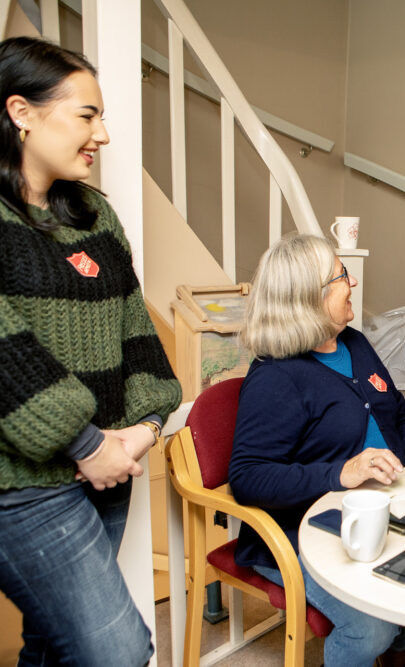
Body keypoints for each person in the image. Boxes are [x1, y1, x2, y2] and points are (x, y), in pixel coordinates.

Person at [0, 36, 182, 664]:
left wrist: (141, 431)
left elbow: (141, 339)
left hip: (111, 468)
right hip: (24, 483)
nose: (102, 134)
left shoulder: (96, 217)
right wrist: (88, 445)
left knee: (54, 644)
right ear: (21, 112)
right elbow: (4, 357)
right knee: (117, 651)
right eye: (87, 115)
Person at [229, 233, 405, 667]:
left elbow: (398, 414)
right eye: (341, 275)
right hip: (301, 532)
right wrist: (342, 473)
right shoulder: (276, 377)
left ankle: (396, 649)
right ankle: (383, 646)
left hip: (382, 508)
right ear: (309, 298)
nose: (351, 281)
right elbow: (247, 477)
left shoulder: (354, 342)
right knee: (368, 628)